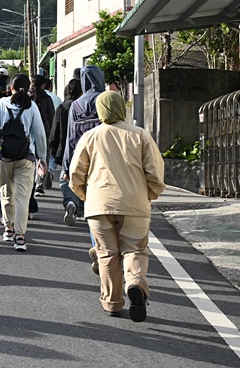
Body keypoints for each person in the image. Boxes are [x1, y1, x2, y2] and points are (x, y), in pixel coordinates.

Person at [69, 91, 166, 321]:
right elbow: (155, 172)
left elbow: (75, 173)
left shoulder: (90, 136)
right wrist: (150, 194)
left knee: (106, 254)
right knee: (135, 249)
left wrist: (86, 196)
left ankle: (112, 303)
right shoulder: (140, 135)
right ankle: (135, 283)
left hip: (98, 205)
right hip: (135, 203)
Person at [0, 73, 47, 252]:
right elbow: (40, 133)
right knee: (22, 197)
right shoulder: (32, 106)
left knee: (6, 192)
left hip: (3, 156)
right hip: (25, 157)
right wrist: (42, 157)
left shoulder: (1, 104)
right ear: (28, 88)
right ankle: (20, 237)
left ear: (11, 87)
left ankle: (8, 228)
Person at [61, 65, 106, 226]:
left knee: (82, 186)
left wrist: (67, 167)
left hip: (82, 154)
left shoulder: (76, 105)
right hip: (104, 157)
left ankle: (75, 205)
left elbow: (71, 137)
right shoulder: (106, 100)